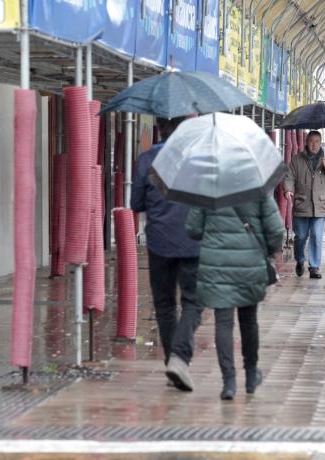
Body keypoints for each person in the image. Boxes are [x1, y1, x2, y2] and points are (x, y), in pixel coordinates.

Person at [185, 196, 285, 400]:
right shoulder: (257, 187)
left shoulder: (209, 187)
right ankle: (250, 374)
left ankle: (229, 381)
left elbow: (193, 229)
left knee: (223, 322)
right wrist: (270, 250)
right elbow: (276, 230)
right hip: (250, 263)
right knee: (248, 321)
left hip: (217, 264)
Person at [131, 117, 202, 392]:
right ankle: (179, 358)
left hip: (159, 242)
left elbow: (136, 203)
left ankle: (175, 360)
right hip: (192, 241)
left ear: (159, 129)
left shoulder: (147, 159)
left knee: (164, 305)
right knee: (194, 301)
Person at [283, 131, 325, 279]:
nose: (314, 144)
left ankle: (314, 267)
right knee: (300, 237)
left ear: (320, 143)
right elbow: (289, 176)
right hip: (302, 203)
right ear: (306, 142)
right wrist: (288, 190)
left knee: (317, 236)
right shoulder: (296, 159)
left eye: (317, 141)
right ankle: (300, 260)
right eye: (311, 141)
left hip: (320, 205)